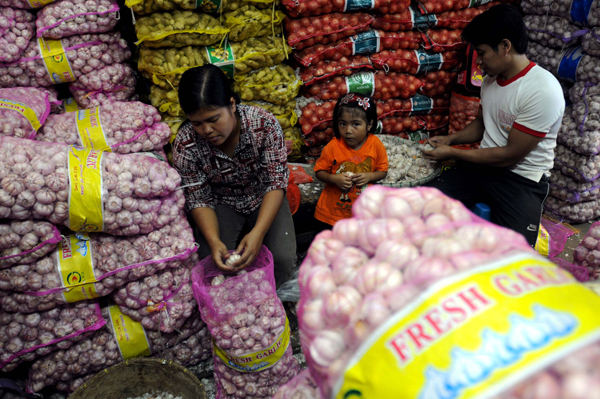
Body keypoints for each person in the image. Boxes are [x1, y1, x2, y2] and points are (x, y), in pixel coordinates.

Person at [422, 4, 565, 246]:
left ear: (505, 46)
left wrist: (451, 153)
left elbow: (509, 157)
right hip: (483, 167)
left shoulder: (542, 90)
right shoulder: (491, 80)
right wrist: (451, 140)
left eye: (482, 52)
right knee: (422, 207)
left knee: (514, 251)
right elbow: (481, 123)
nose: (478, 62)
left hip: (521, 179)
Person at [172, 65, 296, 287]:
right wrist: (214, 241)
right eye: (197, 123)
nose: (207, 130)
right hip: (221, 201)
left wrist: (258, 233)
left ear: (231, 105)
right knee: (214, 264)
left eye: (213, 119)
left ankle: (268, 299)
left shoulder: (264, 124)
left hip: (263, 194)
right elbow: (198, 198)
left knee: (283, 260)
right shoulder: (186, 144)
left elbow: (275, 181)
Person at [314, 93, 388, 226]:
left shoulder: (375, 145)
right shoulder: (333, 146)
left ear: (369, 125)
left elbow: (383, 171)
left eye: (356, 124)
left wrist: (369, 176)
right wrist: (334, 179)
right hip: (331, 214)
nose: (348, 130)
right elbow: (319, 171)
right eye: (343, 124)